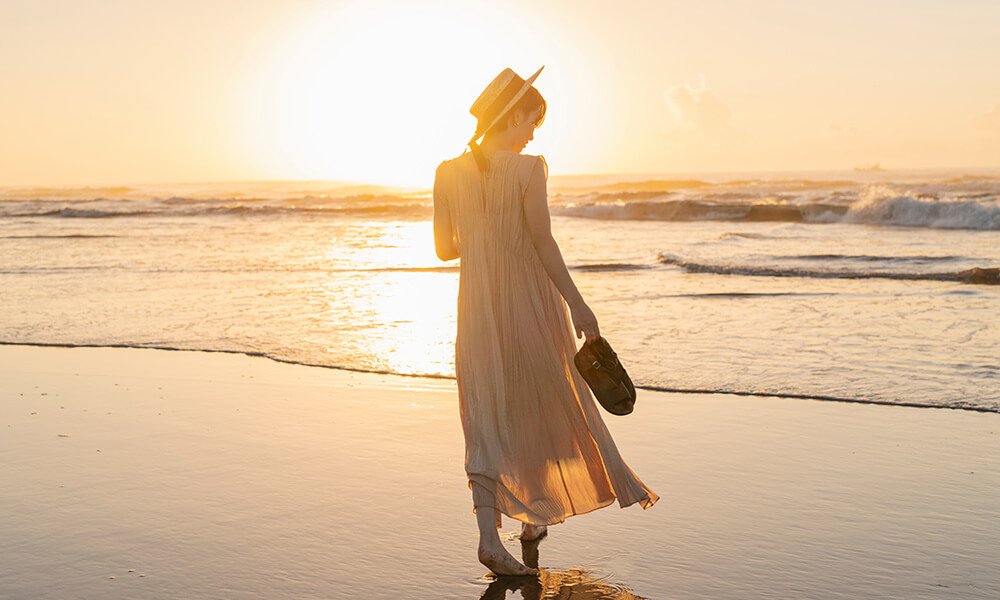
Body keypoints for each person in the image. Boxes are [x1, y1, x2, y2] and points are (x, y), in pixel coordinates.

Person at [433, 66, 658, 577]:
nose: (534, 132)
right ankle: (531, 518)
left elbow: (445, 249)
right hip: (530, 306)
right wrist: (579, 304)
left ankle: (498, 534)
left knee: (485, 414)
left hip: (477, 311)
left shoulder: (446, 172)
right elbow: (542, 242)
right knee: (541, 402)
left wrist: (482, 233)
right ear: (513, 115)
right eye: (532, 120)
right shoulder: (531, 168)